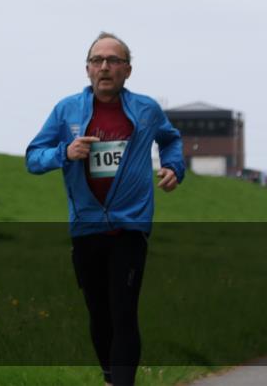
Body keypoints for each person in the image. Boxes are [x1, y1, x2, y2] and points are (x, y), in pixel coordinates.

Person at [25, 32, 184, 386]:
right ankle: (112, 377)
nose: (105, 67)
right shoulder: (66, 110)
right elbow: (32, 158)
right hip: (86, 227)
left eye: (113, 61)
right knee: (99, 314)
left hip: (131, 227)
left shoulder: (146, 109)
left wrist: (174, 167)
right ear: (87, 70)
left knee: (123, 312)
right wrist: (64, 153)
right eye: (97, 61)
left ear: (127, 70)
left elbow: (170, 138)